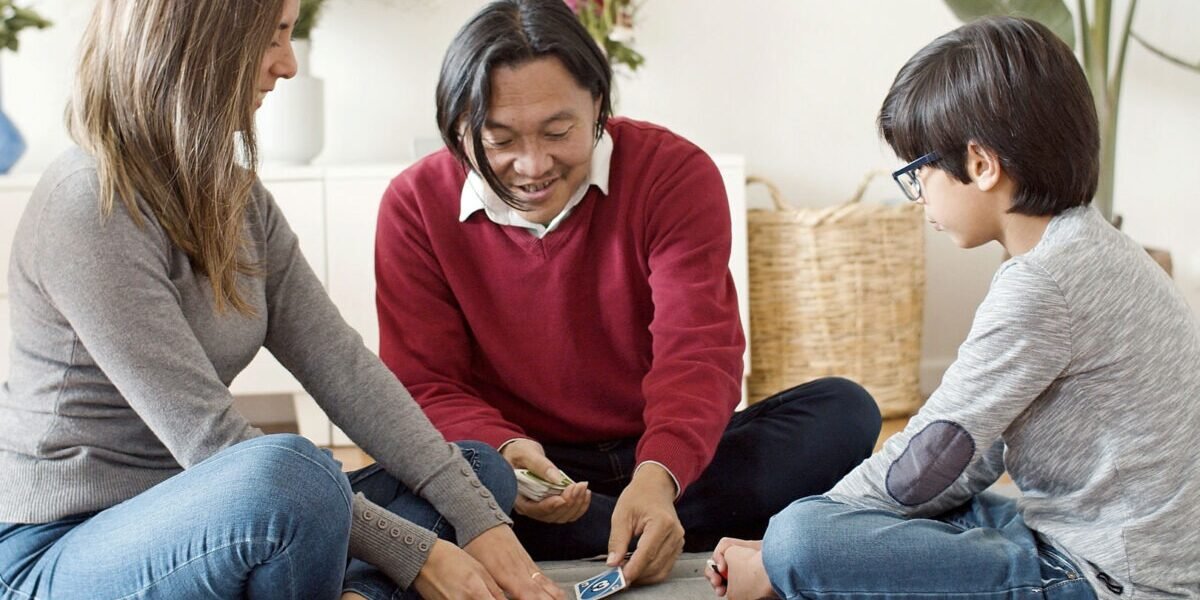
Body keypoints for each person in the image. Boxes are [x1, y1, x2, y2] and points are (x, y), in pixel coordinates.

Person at [0, 1, 565, 599]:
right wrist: (418, 554)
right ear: (201, 42)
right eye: (274, 37)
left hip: (211, 523)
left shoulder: (236, 197)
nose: (289, 65)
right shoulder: (89, 203)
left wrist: (482, 524)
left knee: (475, 473)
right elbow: (211, 443)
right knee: (294, 477)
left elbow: (343, 368)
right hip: (60, 547)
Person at [374, 0, 882, 585]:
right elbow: (425, 382)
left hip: (668, 454)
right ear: (457, 127)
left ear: (599, 105)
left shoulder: (673, 173)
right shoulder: (414, 204)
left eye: (558, 132)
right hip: (525, 472)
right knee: (408, 487)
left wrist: (659, 474)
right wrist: (511, 458)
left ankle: (622, 524)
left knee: (843, 412)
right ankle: (639, 529)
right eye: (499, 140)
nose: (531, 164)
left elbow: (698, 351)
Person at [706, 16, 1200, 600]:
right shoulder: (1084, 245)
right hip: (1087, 535)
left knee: (800, 538)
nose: (918, 198)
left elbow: (927, 458)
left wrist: (782, 548)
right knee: (858, 517)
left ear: (982, 164)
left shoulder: (1043, 283)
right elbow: (967, 452)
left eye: (920, 172)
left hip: (1106, 576)